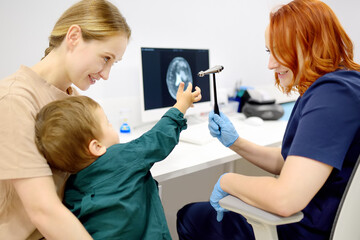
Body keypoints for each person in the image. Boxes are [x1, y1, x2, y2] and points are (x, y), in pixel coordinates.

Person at [176, 0, 360, 239]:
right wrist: (236, 143)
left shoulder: (332, 95)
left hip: (306, 228)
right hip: (321, 219)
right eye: (269, 51)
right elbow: (293, 161)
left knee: (191, 216)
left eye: (280, 51)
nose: (271, 64)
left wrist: (227, 181)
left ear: (311, 44)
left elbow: (285, 199)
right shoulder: (345, 85)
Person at [0, 0, 131, 239]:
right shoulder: (13, 100)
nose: (106, 74)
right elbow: (43, 211)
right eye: (105, 58)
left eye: (113, 63)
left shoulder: (73, 100)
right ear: (73, 37)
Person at [34, 83, 201, 239]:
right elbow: (159, 137)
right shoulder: (122, 157)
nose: (111, 126)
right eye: (108, 124)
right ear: (97, 146)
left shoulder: (70, 193)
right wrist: (182, 105)